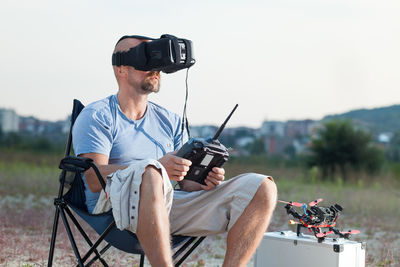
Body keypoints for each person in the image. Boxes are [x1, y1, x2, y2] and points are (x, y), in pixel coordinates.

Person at [72, 36, 277, 267]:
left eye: (158, 65)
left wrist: (203, 180)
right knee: (151, 172)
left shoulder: (169, 120)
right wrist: (156, 167)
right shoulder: (97, 115)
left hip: (168, 204)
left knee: (262, 187)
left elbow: (186, 185)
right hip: (114, 210)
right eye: (146, 62)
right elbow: (92, 179)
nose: (155, 71)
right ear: (121, 69)